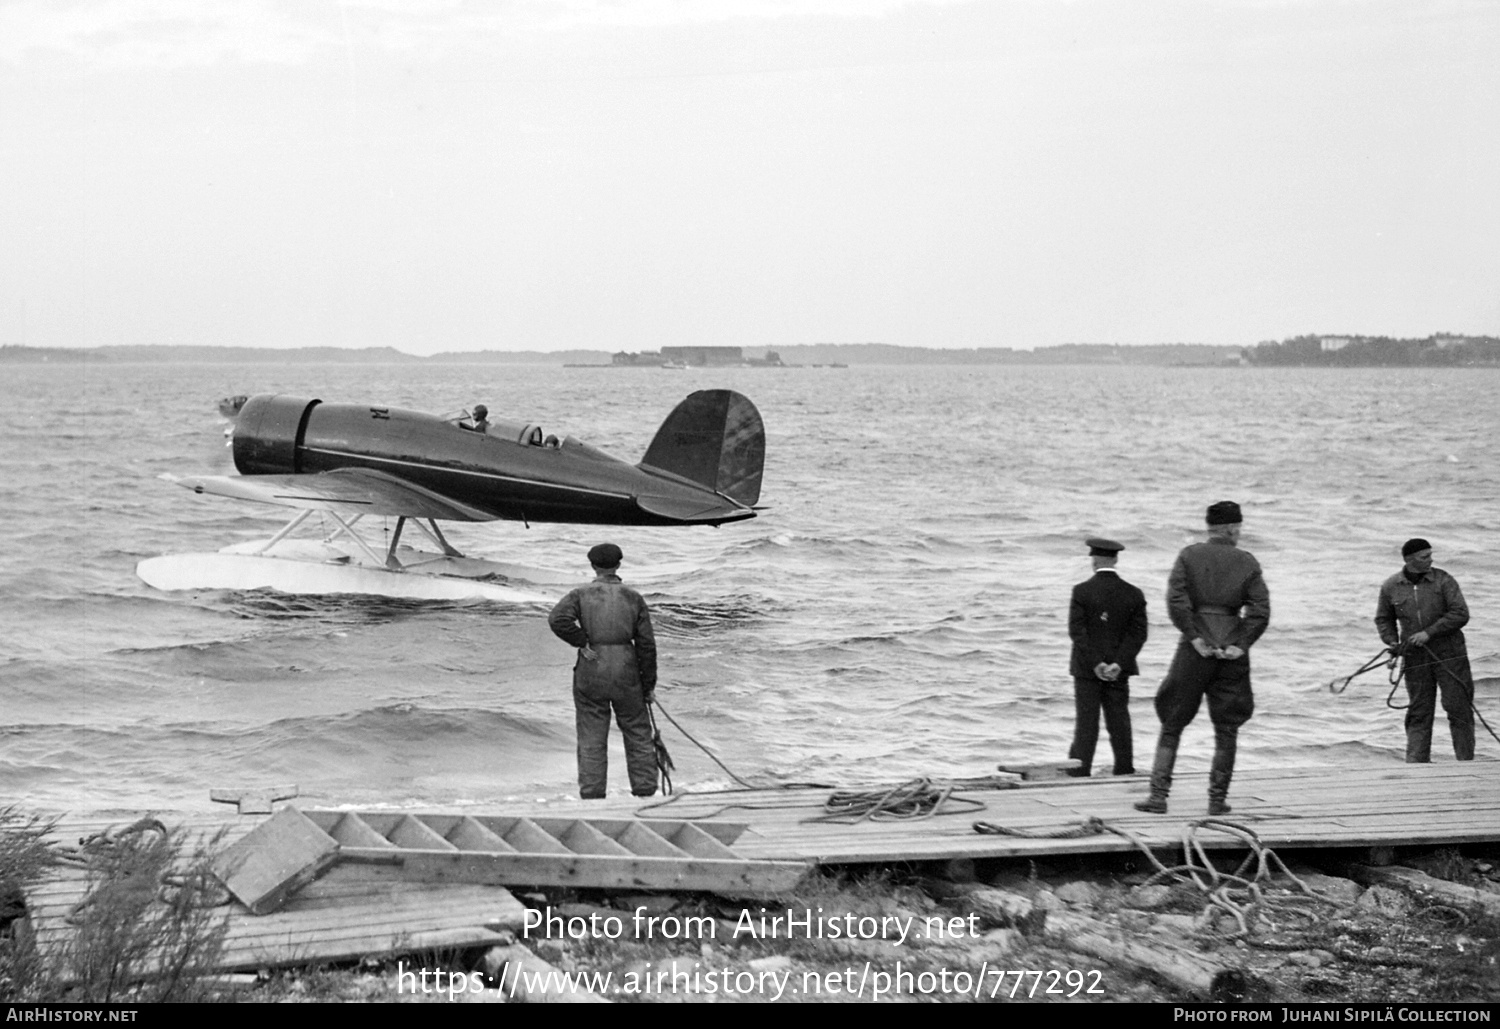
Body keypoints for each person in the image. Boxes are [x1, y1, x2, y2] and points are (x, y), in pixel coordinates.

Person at [1135, 501, 1270, 816]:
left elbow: (1177, 600)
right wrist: (1241, 643)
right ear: (1233, 529)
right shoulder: (1247, 561)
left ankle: (1158, 796)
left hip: (1194, 648)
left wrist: (1195, 636)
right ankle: (1216, 800)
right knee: (1227, 727)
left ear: (1210, 527)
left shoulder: (1189, 555)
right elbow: (1260, 611)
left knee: (1172, 721)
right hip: (1232, 649)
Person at [547, 543, 659, 799]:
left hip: (592, 665)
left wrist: (581, 640)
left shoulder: (579, 594)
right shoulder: (633, 597)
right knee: (638, 731)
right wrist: (649, 685)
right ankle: (645, 791)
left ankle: (593, 795)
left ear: (592, 566)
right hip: (626, 670)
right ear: (619, 565)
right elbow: (646, 645)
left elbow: (557, 619)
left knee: (591, 734)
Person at [1375, 538, 1475, 763]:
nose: (1431, 560)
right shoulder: (1391, 586)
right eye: (1425, 557)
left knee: (1458, 708)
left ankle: (1465, 763)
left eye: (1430, 555)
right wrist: (1392, 642)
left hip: (1450, 654)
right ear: (1409, 560)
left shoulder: (1444, 580)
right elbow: (1383, 619)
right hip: (1414, 657)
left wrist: (1429, 633)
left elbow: (1460, 613)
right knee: (1419, 711)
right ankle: (1416, 767)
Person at [1066, 537, 1147, 777]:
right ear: (1116, 559)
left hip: (1086, 670)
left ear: (1093, 560)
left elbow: (1077, 632)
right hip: (1118, 671)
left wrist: (1096, 663)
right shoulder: (1134, 593)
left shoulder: (1081, 591)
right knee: (1119, 720)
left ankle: (1081, 770)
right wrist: (1117, 664)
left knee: (1086, 723)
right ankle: (1124, 769)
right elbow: (1138, 635)